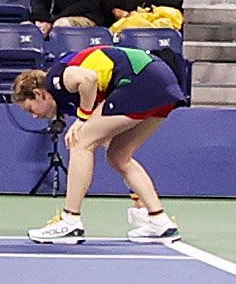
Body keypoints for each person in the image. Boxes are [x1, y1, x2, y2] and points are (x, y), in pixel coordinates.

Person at [26, 22, 186, 246]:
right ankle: (159, 221)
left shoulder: (57, 78)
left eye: (30, 108)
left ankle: (70, 221)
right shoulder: (69, 98)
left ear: (38, 94)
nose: (33, 116)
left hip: (141, 79)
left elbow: (88, 79)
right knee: (119, 156)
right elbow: (105, 129)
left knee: (80, 142)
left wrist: (82, 118)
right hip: (163, 85)